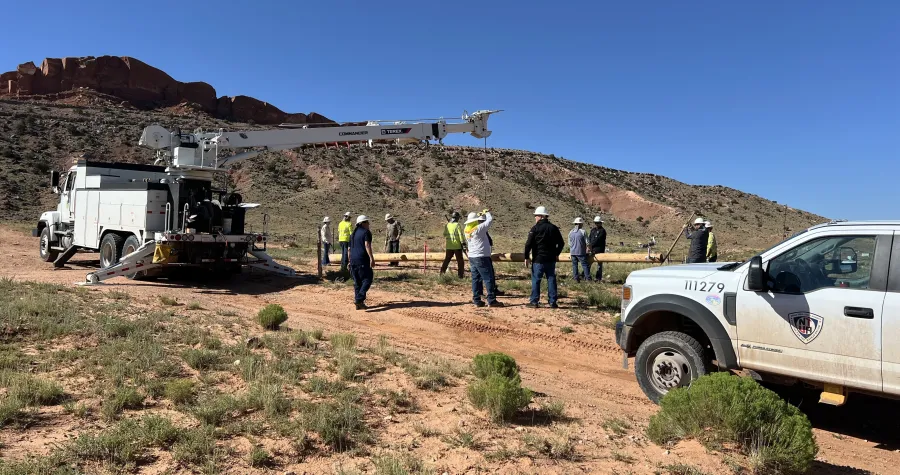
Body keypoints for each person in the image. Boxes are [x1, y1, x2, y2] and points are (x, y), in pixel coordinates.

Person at [524, 206, 565, 308]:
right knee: (551, 279)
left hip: (538, 259)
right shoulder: (554, 228)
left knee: (536, 280)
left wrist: (526, 257)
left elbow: (528, 244)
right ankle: (552, 302)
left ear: (541, 216)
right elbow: (561, 243)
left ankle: (534, 301)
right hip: (550, 259)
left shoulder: (535, 228)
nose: (535, 218)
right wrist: (556, 254)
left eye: (536, 215)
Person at [464, 209, 502, 307]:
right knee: (488, 278)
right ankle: (491, 300)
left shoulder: (467, 230)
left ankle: (477, 300)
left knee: (475, 279)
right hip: (481, 256)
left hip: (472, 256)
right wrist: (486, 213)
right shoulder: (478, 229)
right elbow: (489, 221)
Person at [349, 215, 375, 310]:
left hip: (353, 260)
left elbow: (349, 249)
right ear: (363, 223)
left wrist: (349, 261)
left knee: (357, 282)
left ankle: (358, 303)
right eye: (367, 222)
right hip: (362, 259)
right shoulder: (366, 232)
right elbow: (367, 245)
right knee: (368, 279)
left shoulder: (353, 234)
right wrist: (371, 258)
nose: (368, 224)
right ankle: (359, 299)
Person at [441, 211, 466, 278]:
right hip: (457, 246)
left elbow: (444, 234)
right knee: (460, 261)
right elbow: (460, 235)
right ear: (457, 218)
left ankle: (442, 273)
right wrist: (463, 243)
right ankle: (460, 276)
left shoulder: (447, 225)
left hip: (449, 246)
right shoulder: (457, 225)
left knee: (447, 260)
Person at [569, 217, 590, 282]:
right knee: (584, 265)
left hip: (572, 252)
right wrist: (588, 249)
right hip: (581, 252)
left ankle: (576, 278)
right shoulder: (583, 232)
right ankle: (588, 279)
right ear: (580, 224)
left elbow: (569, 243)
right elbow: (587, 242)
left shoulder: (571, 232)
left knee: (575, 266)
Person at [588, 216, 607, 281]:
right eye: (596, 223)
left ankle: (598, 278)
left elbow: (598, 240)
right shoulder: (593, 230)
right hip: (592, 249)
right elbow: (589, 238)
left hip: (599, 250)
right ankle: (587, 276)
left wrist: (590, 245)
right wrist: (589, 245)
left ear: (601, 223)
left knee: (599, 265)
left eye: (598, 223)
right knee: (589, 263)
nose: (597, 224)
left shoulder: (602, 231)